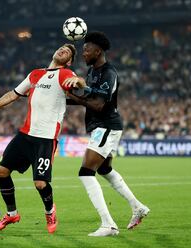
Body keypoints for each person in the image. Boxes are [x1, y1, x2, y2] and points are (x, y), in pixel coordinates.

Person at [0, 44, 83, 234]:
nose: (63, 50)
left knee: (40, 183)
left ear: (70, 61)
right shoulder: (35, 74)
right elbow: (12, 95)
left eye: (68, 52)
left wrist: (78, 81)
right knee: (1, 172)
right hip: (25, 135)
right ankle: (12, 213)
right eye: (62, 47)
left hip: (46, 138)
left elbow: (78, 81)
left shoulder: (65, 74)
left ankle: (50, 211)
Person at [64, 32, 150, 237]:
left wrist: (79, 93)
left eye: (86, 50)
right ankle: (137, 207)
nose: (83, 53)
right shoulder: (93, 71)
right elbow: (86, 97)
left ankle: (108, 224)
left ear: (98, 51)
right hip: (100, 127)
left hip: (106, 126)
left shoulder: (108, 73)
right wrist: (63, 96)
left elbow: (98, 104)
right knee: (104, 169)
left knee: (85, 172)